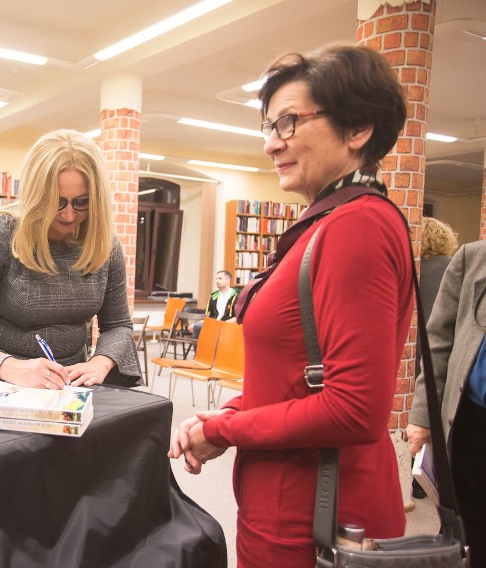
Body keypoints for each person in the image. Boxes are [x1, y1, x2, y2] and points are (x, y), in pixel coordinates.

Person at [168, 45, 412, 567]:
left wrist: (222, 429)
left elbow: (353, 410)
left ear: (358, 128)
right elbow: (299, 378)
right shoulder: (329, 223)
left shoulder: (356, 228)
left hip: (314, 517)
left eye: (288, 123)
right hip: (291, 502)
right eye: (267, 127)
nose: (271, 143)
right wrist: (233, 409)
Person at [0, 129, 141, 389]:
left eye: (81, 202)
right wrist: (8, 366)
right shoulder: (1, 233)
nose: (69, 216)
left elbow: (118, 326)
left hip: (70, 387)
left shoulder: (104, 243)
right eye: (56, 202)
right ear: (36, 195)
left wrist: (100, 362)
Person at [407, 241, 486, 567]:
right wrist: (423, 416)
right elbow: (438, 340)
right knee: (470, 535)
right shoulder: (473, 258)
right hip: (471, 424)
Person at [411, 217, 458, 499]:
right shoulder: (452, 267)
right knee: (438, 414)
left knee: (415, 416)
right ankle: (429, 478)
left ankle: (414, 479)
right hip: (442, 352)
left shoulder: (413, 271)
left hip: (413, 349)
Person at [191, 270, 239, 340]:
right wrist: (199, 323)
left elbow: (238, 317)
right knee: (197, 327)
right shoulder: (214, 296)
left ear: (228, 280)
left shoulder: (236, 295)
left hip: (228, 325)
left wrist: (222, 324)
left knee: (200, 328)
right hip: (214, 323)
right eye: (216, 279)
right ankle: (199, 351)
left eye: (220, 278)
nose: (217, 281)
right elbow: (208, 315)